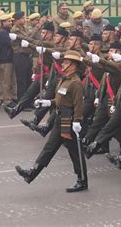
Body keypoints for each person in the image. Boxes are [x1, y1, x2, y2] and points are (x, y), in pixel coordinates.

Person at [15, 50, 87, 192]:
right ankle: (32, 173)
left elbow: (79, 104)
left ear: (73, 66)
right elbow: (59, 100)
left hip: (69, 121)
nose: (64, 64)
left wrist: (77, 121)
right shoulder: (64, 80)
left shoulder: (75, 83)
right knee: (49, 148)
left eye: (66, 62)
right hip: (60, 119)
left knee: (75, 153)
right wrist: (47, 102)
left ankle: (82, 180)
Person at [0, 14, 17, 107]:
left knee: (9, 80)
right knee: (6, 81)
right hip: (5, 60)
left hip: (7, 59)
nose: (10, 23)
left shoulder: (4, 31)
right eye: (8, 21)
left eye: (11, 21)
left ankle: (8, 98)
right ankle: (7, 100)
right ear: (3, 23)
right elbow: (10, 44)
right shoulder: (3, 33)